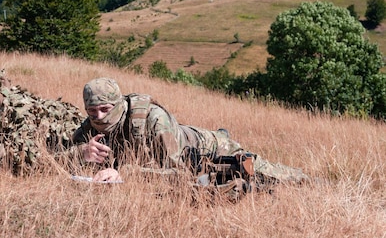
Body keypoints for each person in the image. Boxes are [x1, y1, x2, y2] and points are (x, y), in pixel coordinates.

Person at [66, 77, 309, 194]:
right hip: (189, 156)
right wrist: (81, 152)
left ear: (118, 105)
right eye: (92, 111)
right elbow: (55, 159)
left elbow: (180, 173)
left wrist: (126, 173)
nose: (99, 116)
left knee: (270, 173)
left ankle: (315, 183)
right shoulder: (91, 126)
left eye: (105, 110)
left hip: (214, 149)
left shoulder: (153, 120)